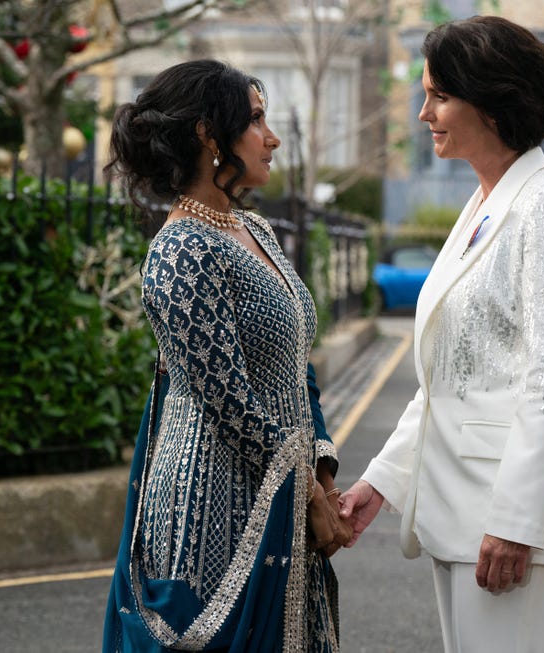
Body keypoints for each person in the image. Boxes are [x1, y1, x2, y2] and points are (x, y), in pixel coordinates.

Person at [338, 17, 544, 653]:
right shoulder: (484, 205)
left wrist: (518, 521)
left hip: (506, 523)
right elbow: (449, 375)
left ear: (492, 101)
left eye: (440, 95)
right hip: (458, 513)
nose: (423, 112)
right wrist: (381, 481)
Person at [102, 60, 351, 652]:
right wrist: (308, 495)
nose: (272, 137)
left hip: (279, 486)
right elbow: (226, 401)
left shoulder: (255, 230)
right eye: (256, 120)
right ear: (209, 136)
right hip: (211, 507)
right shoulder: (183, 250)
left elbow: (294, 362)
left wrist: (320, 469)